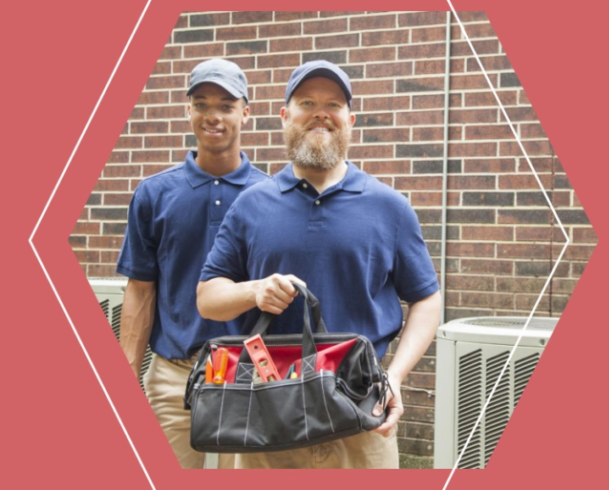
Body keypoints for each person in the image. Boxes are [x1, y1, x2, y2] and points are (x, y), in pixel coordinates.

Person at [196, 60, 442, 469]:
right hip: (266, 415)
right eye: (306, 101)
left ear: (350, 119)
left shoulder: (390, 208)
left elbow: (427, 300)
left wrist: (394, 376)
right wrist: (253, 290)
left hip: (361, 413)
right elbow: (208, 297)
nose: (320, 112)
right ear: (284, 116)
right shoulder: (250, 205)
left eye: (333, 103)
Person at [116, 58, 269, 469]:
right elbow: (141, 289)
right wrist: (126, 373)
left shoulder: (273, 196)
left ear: (246, 113)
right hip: (173, 376)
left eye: (225, 105)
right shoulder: (154, 194)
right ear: (188, 111)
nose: (212, 116)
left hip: (249, 374)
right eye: (201, 104)